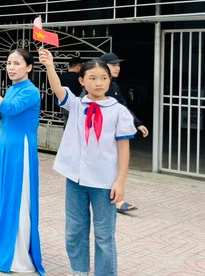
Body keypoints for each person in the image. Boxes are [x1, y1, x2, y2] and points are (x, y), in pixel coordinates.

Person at [40, 48, 135, 276]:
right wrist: (50, 66)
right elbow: (57, 88)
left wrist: (120, 182)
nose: (98, 83)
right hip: (75, 178)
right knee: (75, 230)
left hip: (104, 182)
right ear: (82, 81)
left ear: (110, 80)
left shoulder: (119, 111)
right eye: (92, 78)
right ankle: (79, 271)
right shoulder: (76, 105)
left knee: (104, 235)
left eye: (103, 78)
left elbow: (123, 149)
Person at [0, 49, 45, 274]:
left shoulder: (31, 91)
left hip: (20, 150)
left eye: (16, 63)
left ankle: (20, 257)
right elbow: (9, 114)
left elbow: (12, 108)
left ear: (29, 67)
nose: (11, 67)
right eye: (8, 63)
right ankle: (4, 247)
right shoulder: (13, 89)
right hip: (5, 147)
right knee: (5, 196)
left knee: (18, 199)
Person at [98, 52, 149, 213]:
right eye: (113, 65)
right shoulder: (96, 85)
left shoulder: (113, 86)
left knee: (113, 164)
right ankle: (113, 200)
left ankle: (116, 199)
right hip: (98, 135)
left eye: (118, 65)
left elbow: (123, 107)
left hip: (111, 134)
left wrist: (137, 123)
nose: (117, 68)